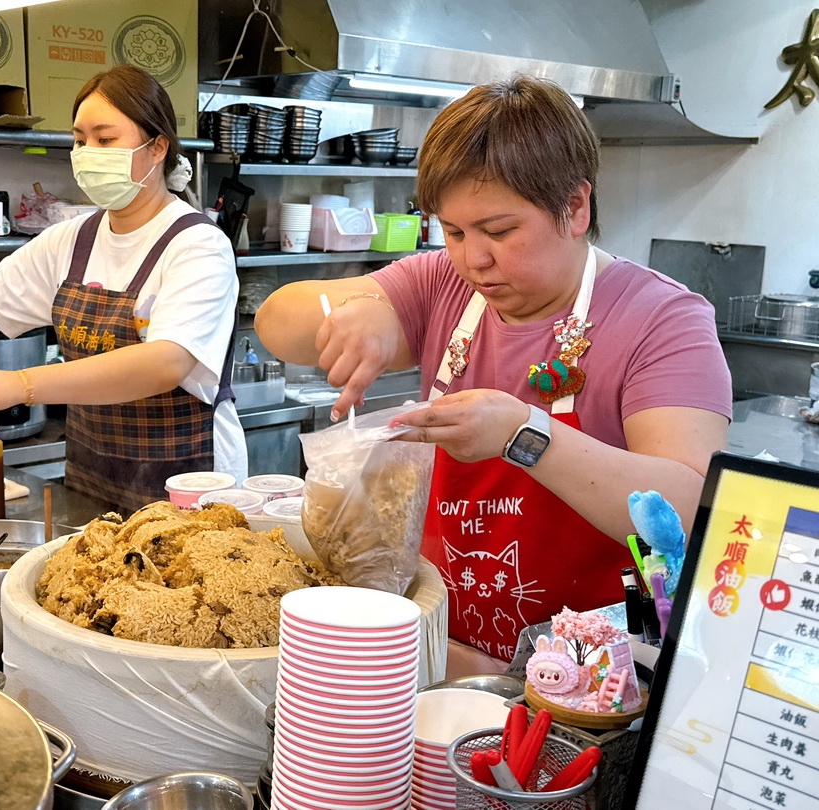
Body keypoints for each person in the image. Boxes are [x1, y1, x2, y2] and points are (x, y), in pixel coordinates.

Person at [255, 75, 731, 674]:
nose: (472, 258)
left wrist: (523, 436)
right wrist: (362, 312)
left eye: (499, 232)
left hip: (589, 676)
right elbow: (276, 320)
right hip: (442, 647)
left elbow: (691, 504)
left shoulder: (662, 318)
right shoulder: (441, 285)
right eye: (453, 231)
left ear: (576, 207)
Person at [0, 64, 246, 515]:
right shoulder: (74, 237)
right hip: (94, 472)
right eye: (80, 140)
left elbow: (166, 361)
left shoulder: (198, 244)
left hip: (188, 480)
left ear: (157, 146)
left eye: (105, 140)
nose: (87, 152)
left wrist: (20, 384)